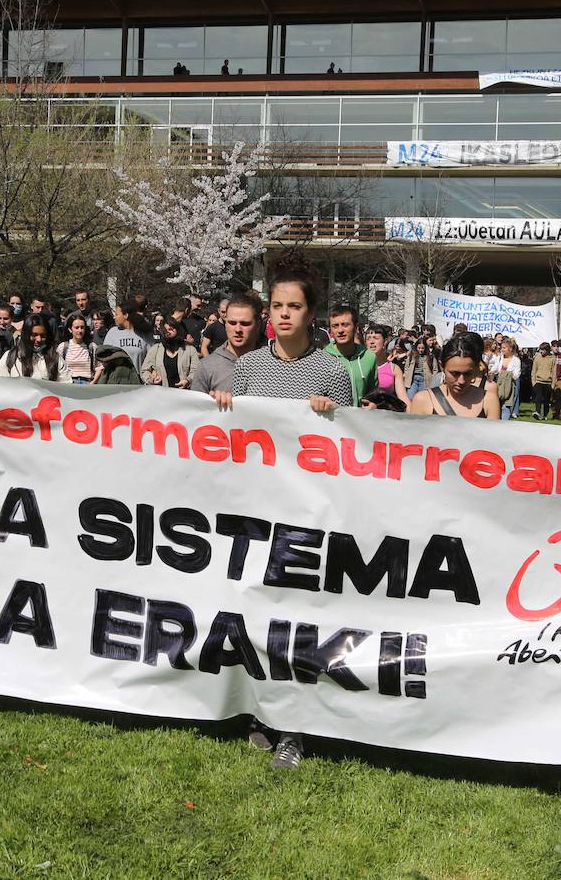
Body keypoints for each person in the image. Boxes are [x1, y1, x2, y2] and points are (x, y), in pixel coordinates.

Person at [223, 271, 353, 768]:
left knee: (300, 618)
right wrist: (225, 410)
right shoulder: (249, 367)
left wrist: (331, 415)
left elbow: (354, 449)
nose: (281, 314)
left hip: (309, 512)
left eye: (292, 307)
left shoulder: (329, 372)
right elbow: (235, 436)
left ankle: (297, 728)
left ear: (310, 315)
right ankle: (263, 711)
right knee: (257, 612)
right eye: (276, 305)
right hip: (259, 508)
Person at [410, 333, 501, 419]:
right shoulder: (422, 400)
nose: (461, 381)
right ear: (442, 367)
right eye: (455, 373)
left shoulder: (488, 400)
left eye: (467, 374)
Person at [192, 292, 262, 401]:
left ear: (258, 325)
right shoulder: (207, 367)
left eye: (245, 323)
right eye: (232, 323)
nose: (238, 329)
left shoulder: (270, 365)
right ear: (225, 324)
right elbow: (194, 410)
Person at [323, 304, 378, 402]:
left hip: (359, 417)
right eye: (335, 326)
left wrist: (373, 404)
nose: (340, 330)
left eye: (345, 325)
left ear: (356, 327)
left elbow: (373, 394)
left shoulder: (369, 357)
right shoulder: (322, 358)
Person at [0, 315, 67, 381]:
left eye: (43, 335)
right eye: (34, 335)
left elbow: (66, 384)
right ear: (26, 334)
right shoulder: (10, 357)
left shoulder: (55, 358)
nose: (39, 339)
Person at [141, 315, 200, 388]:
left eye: (170, 329)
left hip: (184, 394)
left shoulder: (190, 350)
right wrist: (152, 379)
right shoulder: (155, 349)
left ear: (177, 329)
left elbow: (197, 371)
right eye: (165, 330)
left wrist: (187, 381)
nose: (168, 332)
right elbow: (144, 371)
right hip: (162, 394)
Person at [365, 325, 408, 403]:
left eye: (376, 338)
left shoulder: (394, 369)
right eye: (368, 338)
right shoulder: (359, 365)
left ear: (385, 341)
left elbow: (403, 398)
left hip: (386, 412)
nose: (371, 342)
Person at [102, 301, 149, 371]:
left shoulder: (143, 333)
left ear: (126, 315)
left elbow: (150, 359)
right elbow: (104, 357)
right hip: (116, 379)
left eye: (116, 314)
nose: (114, 317)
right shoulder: (112, 332)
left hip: (137, 379)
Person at [488, 336, 521, 419]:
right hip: (498, 384)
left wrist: (507, 375)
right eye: (501, 348)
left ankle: (504, 422)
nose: (502, 349)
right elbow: (495, 368)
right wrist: (491, 372)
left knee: (506, 406)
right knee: (497, 404)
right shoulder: (500, 358)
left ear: (510, 349)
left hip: (509, 386)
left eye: (504, 348)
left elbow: (517, 374)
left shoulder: (516, 360)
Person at [56, 315, 96, 384]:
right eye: (76, 328)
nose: (80, 331)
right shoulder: (63, 347)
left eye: (82, 327)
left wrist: (93, 382)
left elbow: (98, 367)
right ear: (70, 329)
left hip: (87, 384)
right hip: (68, 384)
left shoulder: (92, 347)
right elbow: (57, 367)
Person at [531, 342, 556, 420]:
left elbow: (554, 371)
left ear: (547, 350)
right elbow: (534, 370)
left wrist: (553, 384)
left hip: (548, 382)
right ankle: (537, 412)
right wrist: (533, 382)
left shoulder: (553, 358)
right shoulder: (537, 358)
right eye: (540, 350)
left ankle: (545, 415)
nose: (541, 351)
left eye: (543, 350)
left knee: (546, 400)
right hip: (538, 381)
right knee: (538, 398)